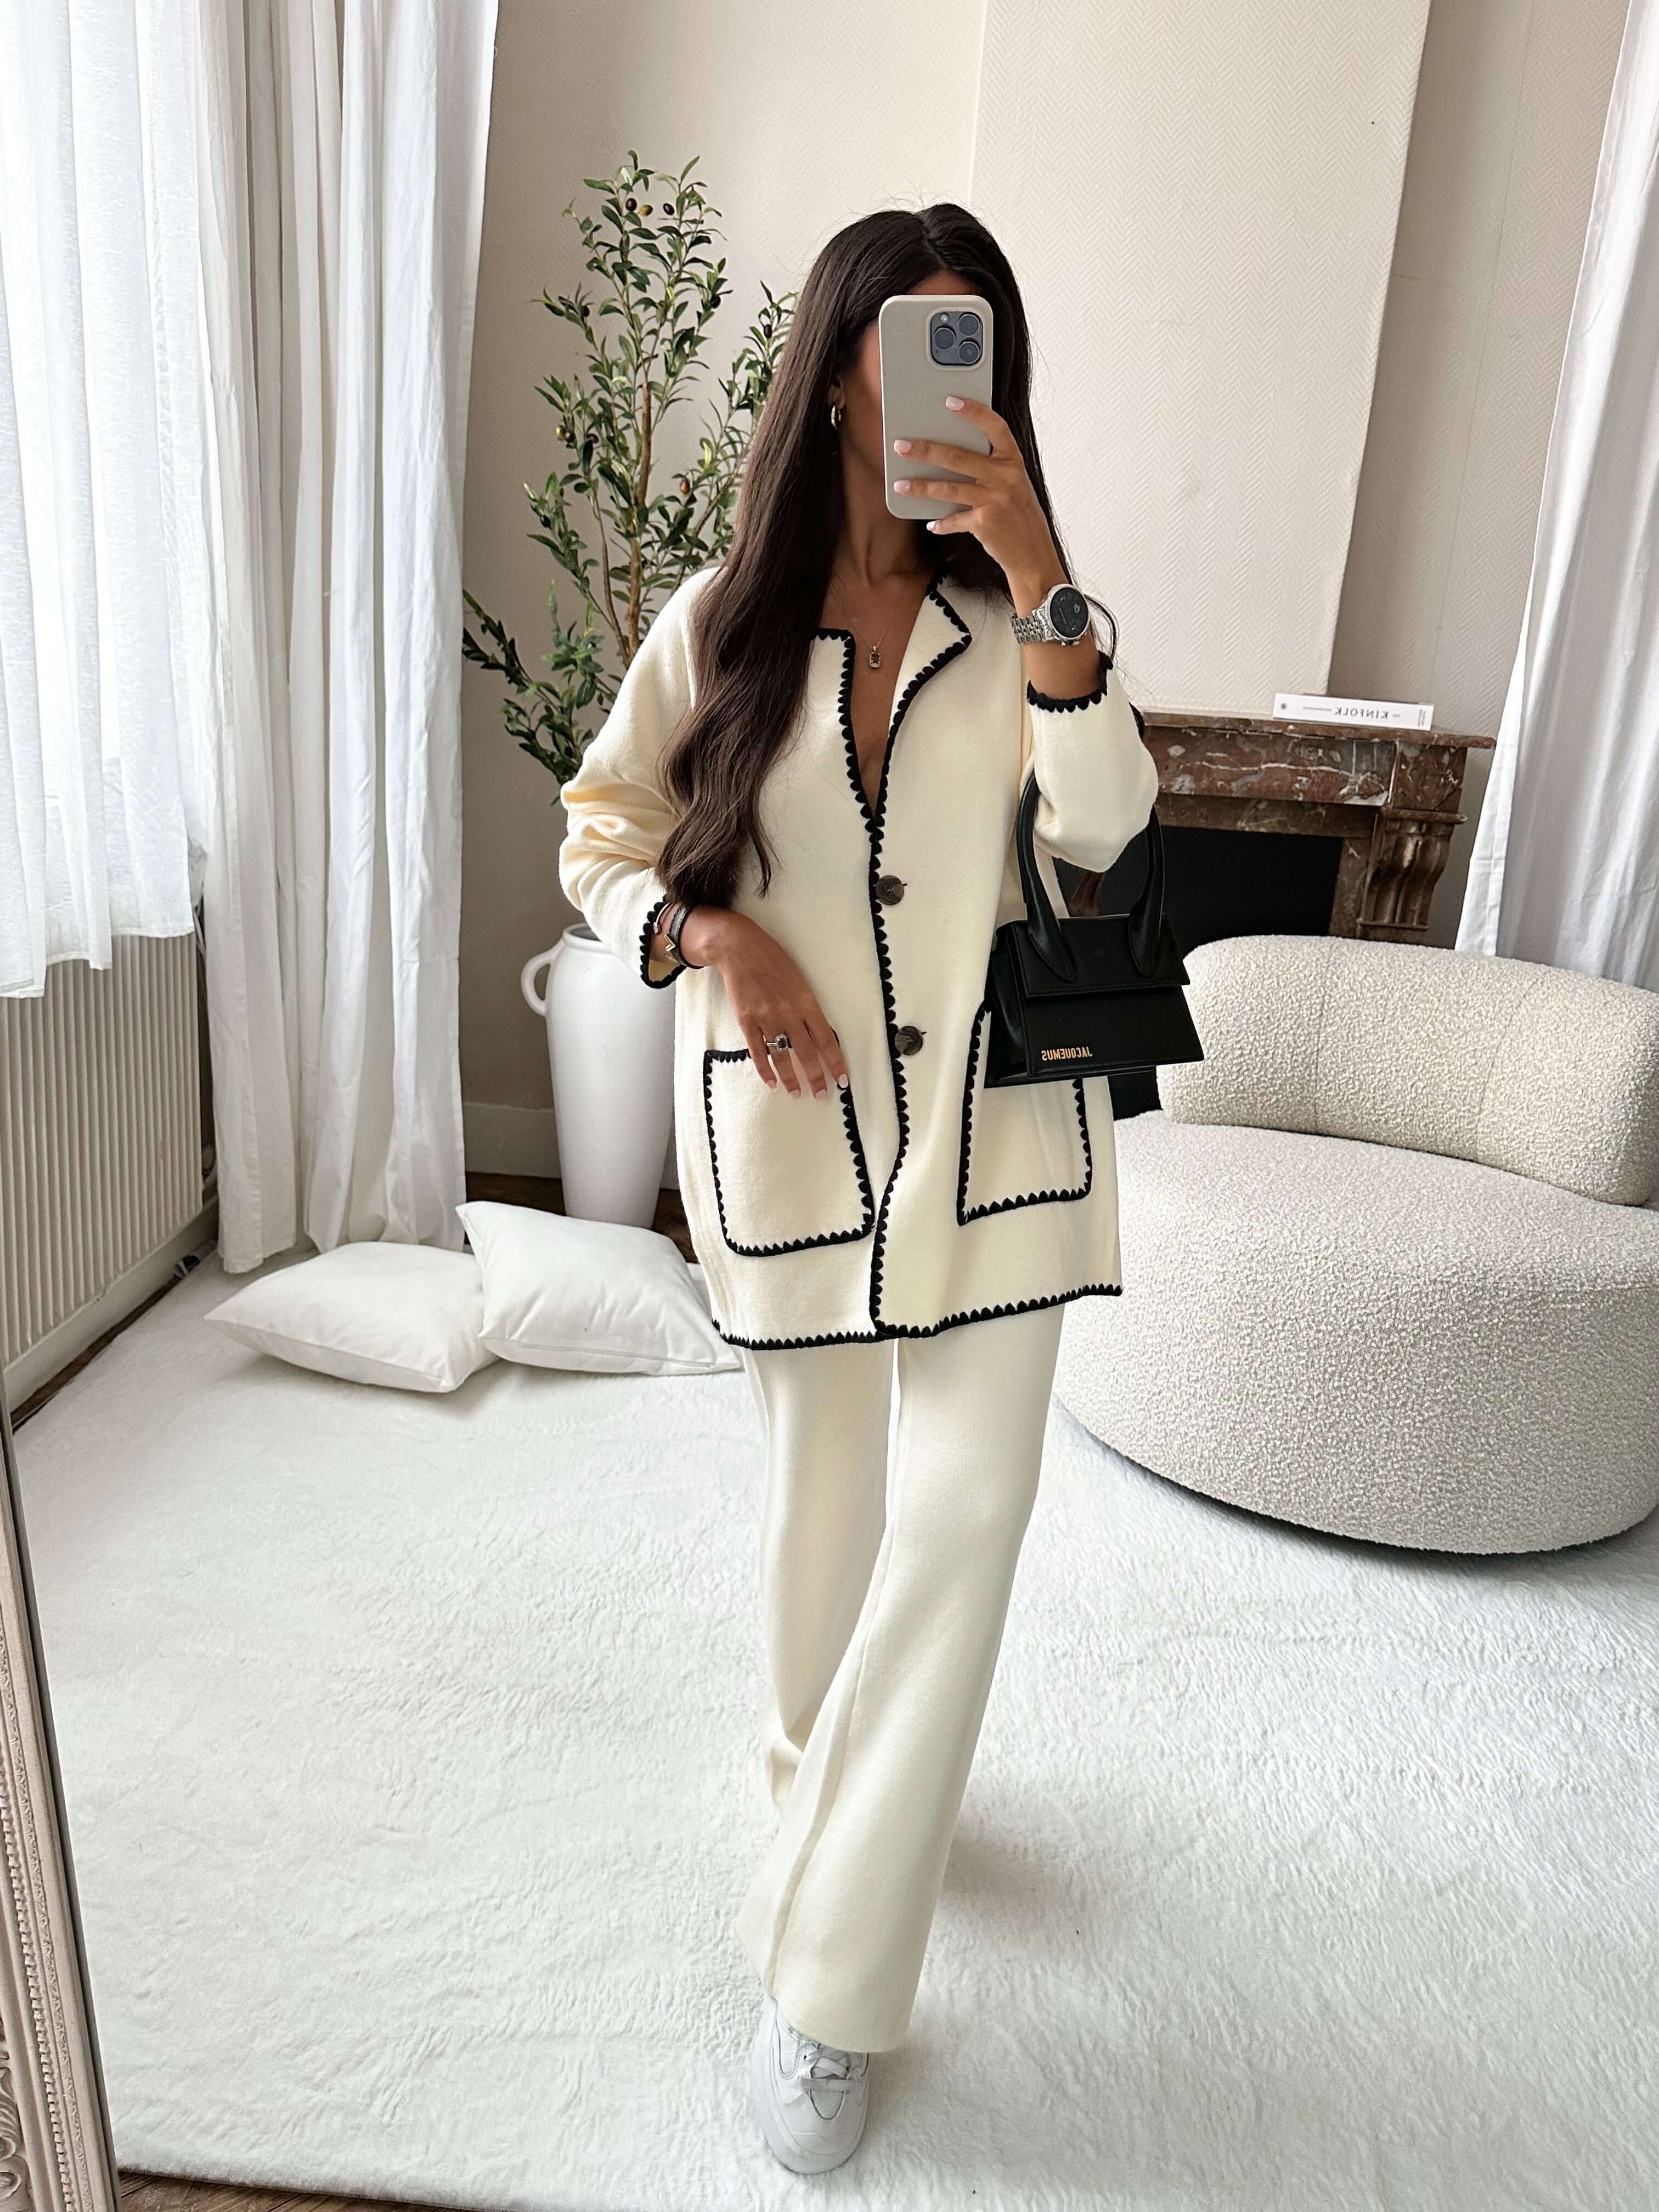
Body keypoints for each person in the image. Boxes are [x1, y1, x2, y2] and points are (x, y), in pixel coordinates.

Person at [556, 202, 1159, 2174]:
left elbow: (1107, 826)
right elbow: (600, 831)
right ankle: (834, 1796)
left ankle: (823, 1984)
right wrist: (710, 939)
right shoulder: (720, 622)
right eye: (912, 347)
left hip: (1001, 1149)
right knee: (823, 1520)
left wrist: (1046, 577)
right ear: (837, 378)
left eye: (978, 351)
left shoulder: (1033, 625)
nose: (942, 390)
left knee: (967, 1512)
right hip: (798, 1134)